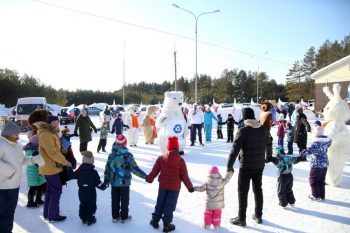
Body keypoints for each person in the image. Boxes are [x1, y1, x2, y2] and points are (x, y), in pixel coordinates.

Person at [226, 107, 272, 227]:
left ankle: (241, 218)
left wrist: (229, 166)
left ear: (244, 117)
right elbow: (269, 142)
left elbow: (234, 150)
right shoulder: (263, 129)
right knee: (258, 189)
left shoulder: (243, 130)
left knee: (243, 192)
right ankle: (258, 215)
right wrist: (269, 156)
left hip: (246, 166)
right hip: (259, 165)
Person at [0, 121, 44, 232]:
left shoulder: (16, 145)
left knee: (10, 212)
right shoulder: (1, 143)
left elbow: (22, 160)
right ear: (9, 133)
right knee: (3, 212)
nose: (18, 136)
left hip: (14, 185)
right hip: (3, 186)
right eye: (16, 134)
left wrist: (34, 160)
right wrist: (9, 172)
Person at [147, 136, 194, 233]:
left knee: (160, 202)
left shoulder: (161, 158)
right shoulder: (180, 161)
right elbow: (185, 176)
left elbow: (154, 171)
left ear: (168, 147)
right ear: (177, 148)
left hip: (163, 186)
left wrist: (149, 178)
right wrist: (190, 187)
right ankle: (167, 225)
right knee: (170, 205)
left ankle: (155, 221)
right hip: (174, 188)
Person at [102, 135, 147, 223]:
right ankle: (124, 217)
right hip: (124, 183)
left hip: (114, 182)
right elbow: (134, 169)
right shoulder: (128, 155)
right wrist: (145, 176)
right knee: (124, 200)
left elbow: (107, 168)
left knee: (114, 200)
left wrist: (106, 180)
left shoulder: (111, 155)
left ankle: (115, 217)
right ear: (125, 143)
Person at [36, 115, 72, 222]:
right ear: (48, 124)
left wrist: (63, 149)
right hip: (49, 167)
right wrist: (65, 162)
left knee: (50, 190)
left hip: (50, 166)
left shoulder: (52, 133)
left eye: (57, 122)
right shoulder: (46, 134)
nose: (56, 124)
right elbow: (52, 152)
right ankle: (53, 215)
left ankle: (47, 214)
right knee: (56, 190)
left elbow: (55, 148)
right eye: (53, 123)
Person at [73, 151, 106, 226]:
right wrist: (103, 186)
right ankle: (90, 218)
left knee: (83, 204)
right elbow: (98, 183)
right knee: (91, 205)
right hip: (91, 193)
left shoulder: (79, 170)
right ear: (92, 161)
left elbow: (73, 175)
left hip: (81, 192)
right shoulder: (94, 172)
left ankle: (83, 218)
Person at [300, 126, 331, 201]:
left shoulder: (317, 143)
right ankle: (321, 195)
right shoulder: (327, 141)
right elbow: (329, 144)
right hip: (324, 163)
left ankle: (316, 196)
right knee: (321, 180)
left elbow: (309, 150)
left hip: (317, 164)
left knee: (313, 180)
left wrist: (301, 153)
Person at [23, 134, 46, 208]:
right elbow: (37, 162)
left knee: (41, 185)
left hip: (39, 171)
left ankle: (38, 199)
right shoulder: (33, 151)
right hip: (32, 172)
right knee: (33, 187)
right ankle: (30, 202)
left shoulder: (36, 150)